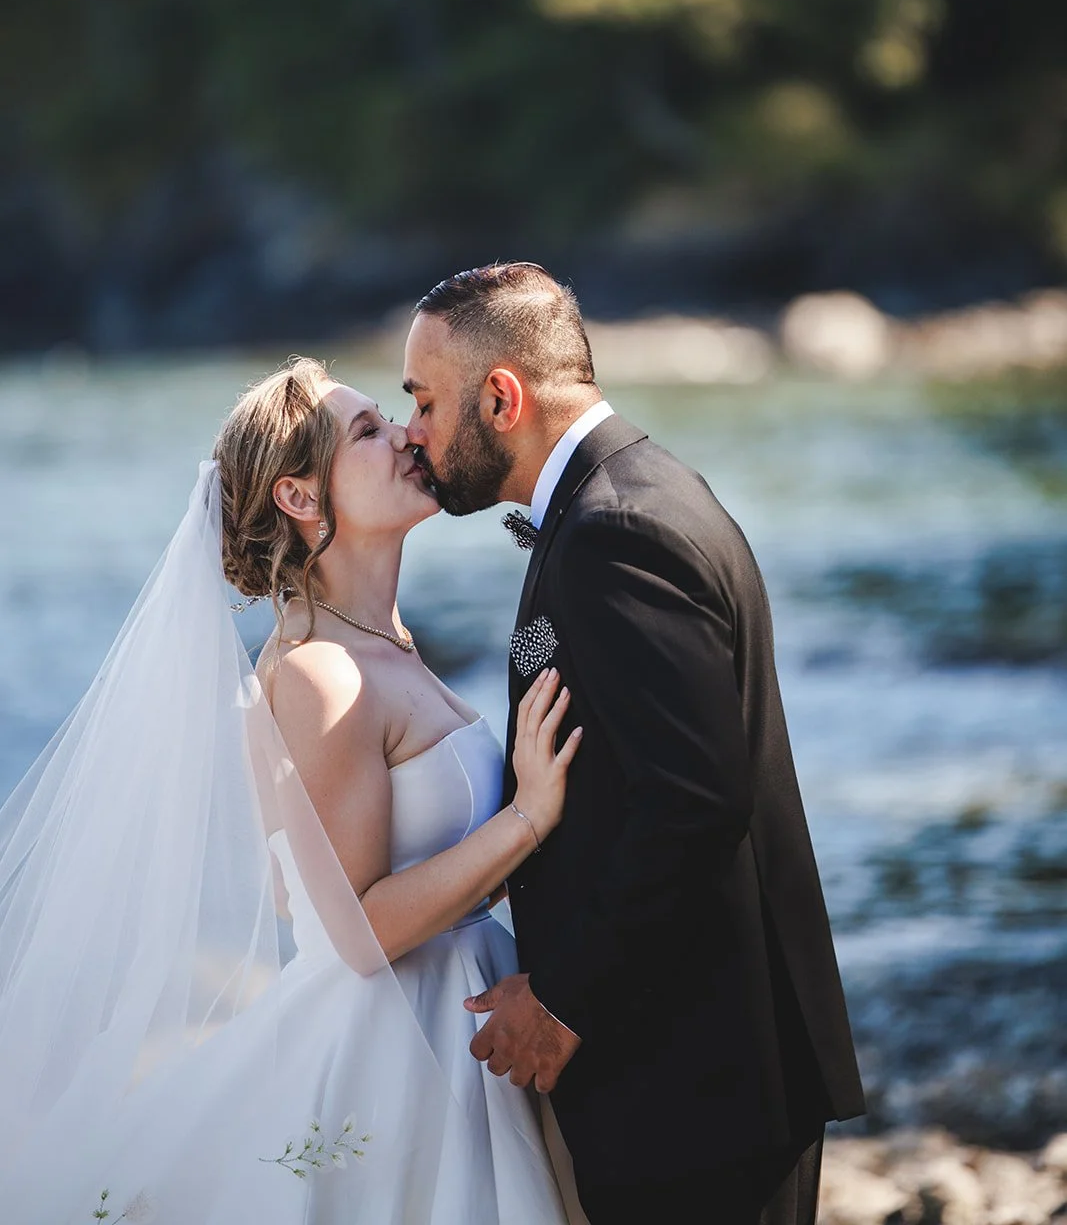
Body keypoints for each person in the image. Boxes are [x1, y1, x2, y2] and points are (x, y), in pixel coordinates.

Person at [0, 357, 586, 1224]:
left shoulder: (381, 642)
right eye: (368, 433)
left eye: (392, 419)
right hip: (399, 1048)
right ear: (300, 499)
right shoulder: (319, 674)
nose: (407, 435)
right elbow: (355, 934)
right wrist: (530, 818)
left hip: (458, 1007)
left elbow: (292, 887)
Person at [403, 263, 866, 1225]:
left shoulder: (617, 530)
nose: (414, 431)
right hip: (692, 1066)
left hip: (696, 1079)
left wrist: (564, 998)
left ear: (501, 397)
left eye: (424, 401)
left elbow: (695, 798)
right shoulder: (622, 498)